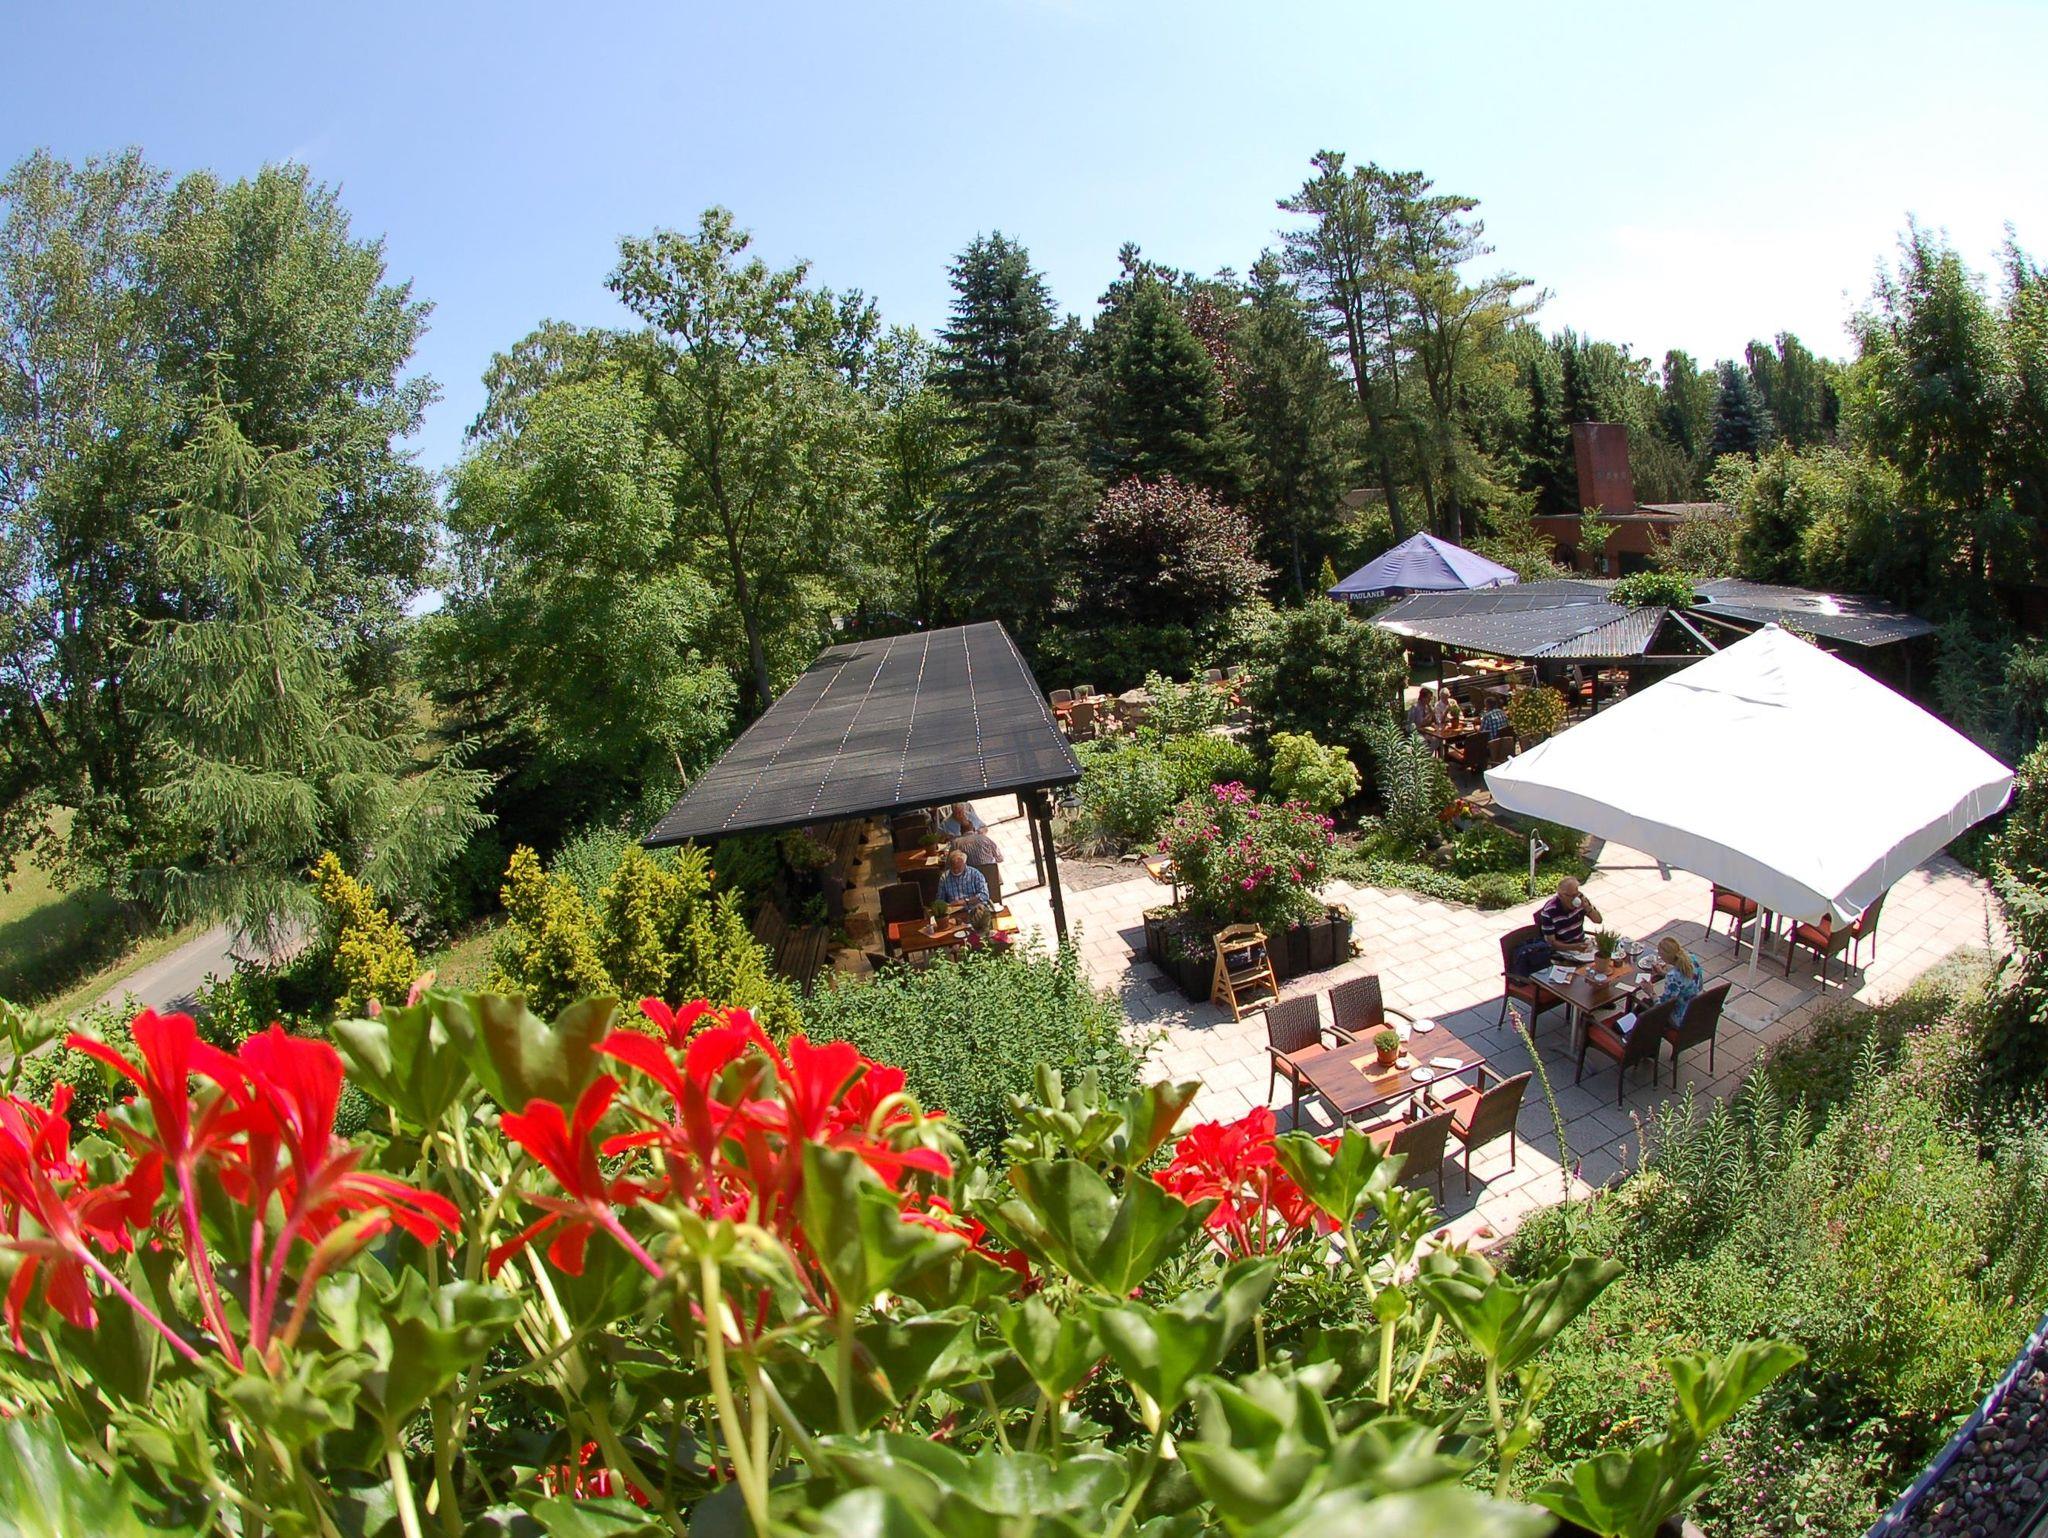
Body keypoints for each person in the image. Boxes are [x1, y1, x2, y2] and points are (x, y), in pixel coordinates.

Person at [1534, 876, 1602, 952]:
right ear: (1560, 895)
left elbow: (1598, 920)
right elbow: (1551, 943)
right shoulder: (1549, 912)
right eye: (1571, 896)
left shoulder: (1581, 901)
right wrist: (1574, 947)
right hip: (1563, 950)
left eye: (1576, 894)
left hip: (1581, 943)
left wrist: (1588, 908)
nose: (1575, 899)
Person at [1648, 935, 1704, 1021]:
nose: (1659, 956)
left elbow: (1662, 1007)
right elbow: (1682, 980)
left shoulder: (1672, 977)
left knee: (1645, 1005)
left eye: (1660, 954)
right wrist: (1663, 973)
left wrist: (1651, 992)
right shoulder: (1692, 958)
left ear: (1665, 956)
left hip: (1682, 1017)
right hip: (1697, 1007)